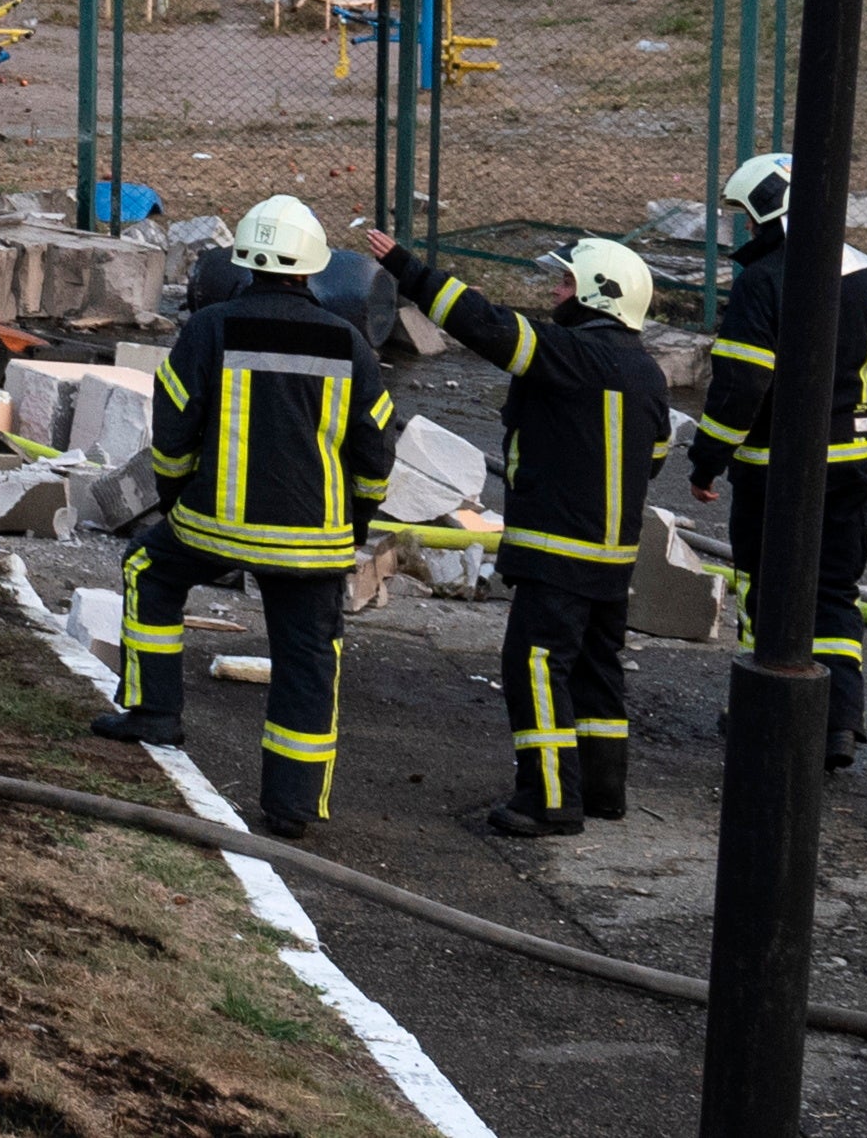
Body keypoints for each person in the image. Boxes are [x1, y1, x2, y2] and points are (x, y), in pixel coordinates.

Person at [90, 196, 398, 839]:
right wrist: (357, 522)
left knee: (150, 566)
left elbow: (172, 431)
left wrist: (177, 500)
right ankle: (292, 806)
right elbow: (375, 450)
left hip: (213, 525)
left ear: (243, 263)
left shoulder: (210, 329)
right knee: (309, 657)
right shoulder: (351, 345)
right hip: (313, 543)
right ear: (313, 269)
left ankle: (152, 713)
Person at [357, 220, 669, 837]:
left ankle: (549, 799)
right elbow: (653, 456)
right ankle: (603, 789)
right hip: (612, 558)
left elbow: (485, 325)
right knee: (596, 671)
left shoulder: (567, 354)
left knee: (535, 663)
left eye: (567, 282)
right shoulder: (647, 373)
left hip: (557, 552)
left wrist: (410, 271)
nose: (556, 290)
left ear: (598, 295)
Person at [688, 151, 867, 765]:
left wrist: (707, 461)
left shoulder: (765, 280)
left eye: (749, 219)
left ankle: (767, 711)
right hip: (855, 457)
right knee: (835, 588)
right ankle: (837, 724)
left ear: (771, 212)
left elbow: (741, 388)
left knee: (766, 583)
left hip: (776, 467)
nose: (747, 233)